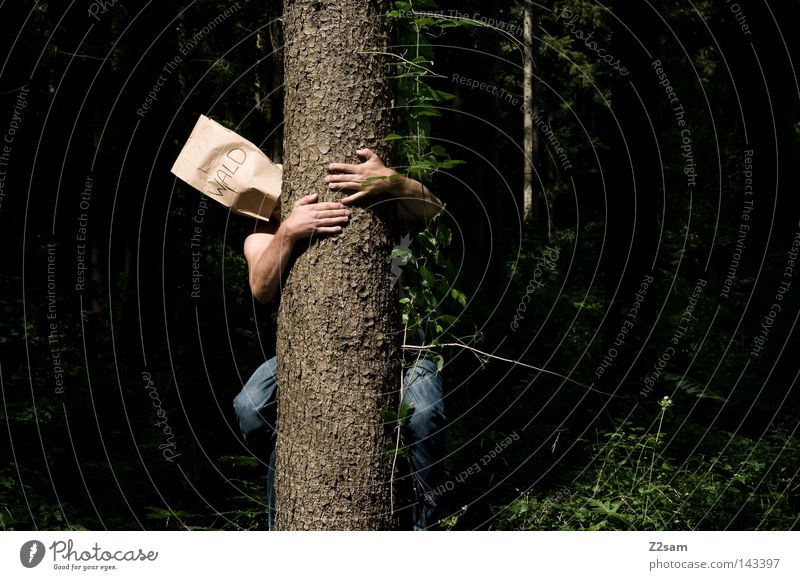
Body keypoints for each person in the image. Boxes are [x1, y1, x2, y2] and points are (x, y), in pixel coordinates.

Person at [233, 148, 446, 530]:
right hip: (310, 353)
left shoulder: (384, 200)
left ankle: (423, 530)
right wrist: (289, 231)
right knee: (250, 407)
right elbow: (261, 288)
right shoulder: (264, 230)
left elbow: (434, 210)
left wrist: (393, 180)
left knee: (425, 415)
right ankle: (286, 505)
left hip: (404, 346)